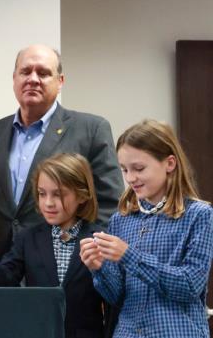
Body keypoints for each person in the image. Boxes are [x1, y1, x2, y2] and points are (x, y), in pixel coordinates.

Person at [0, 44, 124, 259]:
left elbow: (109, 205)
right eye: (25, 71)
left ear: (60, 81)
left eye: (43, 73)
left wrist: (87, 257)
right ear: (14, 78)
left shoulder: (91, 130)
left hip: (63, 265)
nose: (33, 79)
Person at [0, 153, 109, 338]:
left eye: (58, 194)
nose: (48, 202)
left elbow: (112, 296)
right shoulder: (28, 237)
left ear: (82, 195)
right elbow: (6, 280)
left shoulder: (99, 239)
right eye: (42, 194)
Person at [80, 120, 213, 338]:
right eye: (124, 170)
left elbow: (190, 285)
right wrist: (99, 267)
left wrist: (129, 255)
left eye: (139, 168)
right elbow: (117, 296)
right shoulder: (120, 220)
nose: (130, 178)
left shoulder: (199, 214)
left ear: (170, 163)